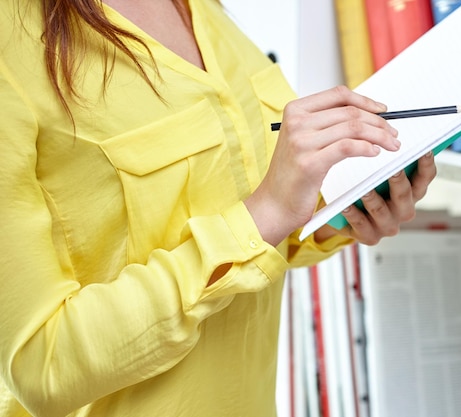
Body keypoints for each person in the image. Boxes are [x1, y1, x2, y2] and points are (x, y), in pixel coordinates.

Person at [0, 0, 437, 416]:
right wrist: (263, 215)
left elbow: (246, 208)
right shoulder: (11, 45)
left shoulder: (202, 9)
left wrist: (337, 213)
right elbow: (41, 365)